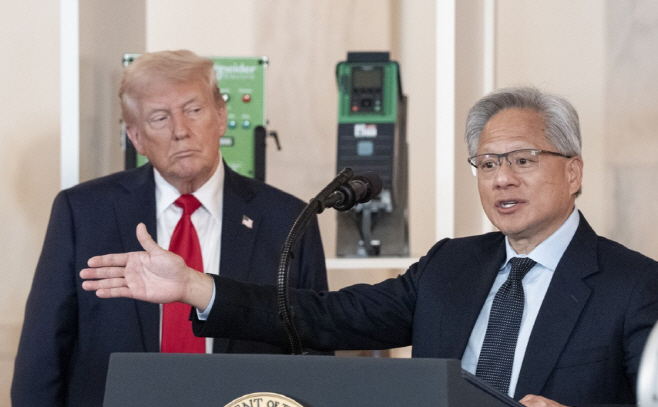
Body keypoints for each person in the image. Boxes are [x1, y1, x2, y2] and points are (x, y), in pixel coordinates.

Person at [81, 86, 658, 407]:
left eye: (523, 160)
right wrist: (194, 286)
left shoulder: (634, 286)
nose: (502, 179)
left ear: (573, 171)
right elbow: (326, 317)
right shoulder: (451, 265)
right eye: (486, 164)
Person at [12, 50, 329, 407]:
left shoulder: (288, 219)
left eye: (194, 110)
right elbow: (41, 359)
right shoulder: (83, 213)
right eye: (160, 118)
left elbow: (315, 356)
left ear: (221, 117)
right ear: (136, 138)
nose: (181, 130)